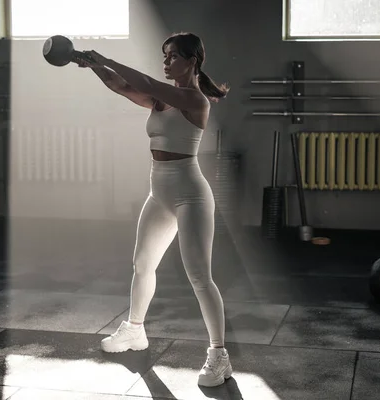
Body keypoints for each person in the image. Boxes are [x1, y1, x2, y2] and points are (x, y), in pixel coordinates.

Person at [72, 32, 232, 387]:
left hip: (190, 194)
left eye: (173, 56)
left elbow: (143, 81)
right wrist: (93, 65)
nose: (166, 62)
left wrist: (108, 58)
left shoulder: (193, 99)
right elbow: (121, 86)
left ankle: (219, 355)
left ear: (192, 61)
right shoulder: (160, 101)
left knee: (198, 277)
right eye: (164, 56)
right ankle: (135, 330)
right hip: (159, 192)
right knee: (142, 264)